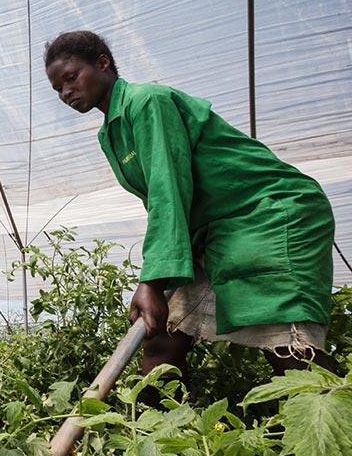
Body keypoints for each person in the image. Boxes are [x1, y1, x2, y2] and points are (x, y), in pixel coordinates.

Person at [44, 30, 335, 376]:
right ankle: (149, 428)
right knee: (163, 337)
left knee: (286, 343)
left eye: (71, 77)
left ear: (103, 64)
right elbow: (158, 201)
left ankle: (331, 420)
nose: (66, 92)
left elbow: (169, 188)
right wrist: (171, 267)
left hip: (270, 213)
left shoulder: (147, 101)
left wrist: (151, 281)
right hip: (221, 230)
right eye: (58, 88)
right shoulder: (110, 134)